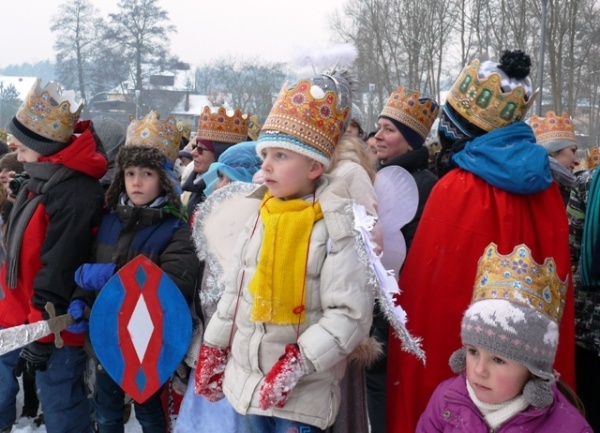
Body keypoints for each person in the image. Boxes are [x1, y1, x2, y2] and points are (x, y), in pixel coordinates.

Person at [388, 50, 576, 433]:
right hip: (527, 370)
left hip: (463, 369)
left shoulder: (456, 187)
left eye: (450, 121)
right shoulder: (546, 188)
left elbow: (428, 300)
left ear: (462, 127)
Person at [194, 68, 375, 433]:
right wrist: (213, 349)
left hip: (301, 398)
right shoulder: (259, 215)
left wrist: (297, 363)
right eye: (265, 154)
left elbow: (350, 315)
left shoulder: (337, 227)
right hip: (247, 389)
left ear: (314, 165)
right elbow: (235, 294)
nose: (266, 165)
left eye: (280, 155)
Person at [67, 111, 199, 433]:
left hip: (148, 339)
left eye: (146, 173)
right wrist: (83, 299)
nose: (136, 182)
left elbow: (173, 284)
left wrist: (111, 277)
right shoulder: (112, 220)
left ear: (165, 179)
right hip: (108, 334)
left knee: (148, 408)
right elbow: (91, 262)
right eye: (129, 173)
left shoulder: (177, 230)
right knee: (107, 407)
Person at [0, 79, 107, 433]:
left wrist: (44, 332)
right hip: (20, 313)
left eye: (23, 138)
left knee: (60, 399)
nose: (14, 144)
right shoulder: (39, 180)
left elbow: (60, 264)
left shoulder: (73, 191)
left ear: (42, 144)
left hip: (54, 321)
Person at [417, 243, 592, 433]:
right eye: (473, 351)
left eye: (498, 360)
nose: (479, 370)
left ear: (534, 370)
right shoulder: (445, 400)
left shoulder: (568, 427)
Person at [174, 140, 263, 433]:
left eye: (223, 177)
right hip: (211, 348)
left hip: (235, 355)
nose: (216, 185)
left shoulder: (248, 228)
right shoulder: (218, 223)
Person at [368, 85, 439, 433]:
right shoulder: (377, 174)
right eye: (379, 127)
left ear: (410, 142)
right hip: (371, 306)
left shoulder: (424, 184)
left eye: (389, 130)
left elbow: (410, 253)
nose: (377, 136)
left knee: (380, 395)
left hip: (391, 310)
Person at [566, 161, 600, 431]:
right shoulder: (586, 184)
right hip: (588, 325)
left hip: (587, 321)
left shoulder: (587, 183)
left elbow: (572, 250)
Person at [181, 106, 249, 220]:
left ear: (219, 154)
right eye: (195, 147)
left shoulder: (230, 195)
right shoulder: (194, 186)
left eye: (201, 149)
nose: (193, 153)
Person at [530, 111, 580, 204]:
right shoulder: (539, 189)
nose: (577, 161)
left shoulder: (563, 188)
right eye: (572, 150)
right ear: (552, 151)